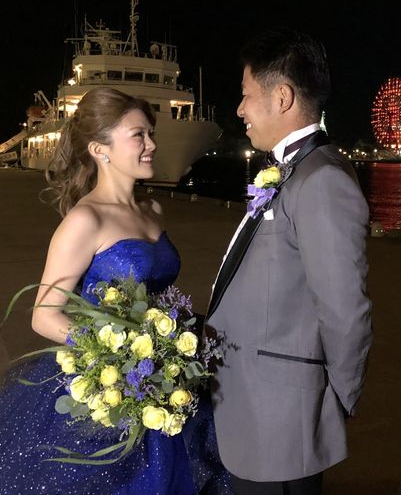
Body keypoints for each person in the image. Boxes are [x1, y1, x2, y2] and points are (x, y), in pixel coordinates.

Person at [0, 87, 233, 494]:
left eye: (151, 134)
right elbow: (44, 314)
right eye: (138, 135)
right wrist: (118, 358)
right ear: (99, 149)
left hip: (163, 381)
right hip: (113, 390)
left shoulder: (153, 210)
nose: (152, 144)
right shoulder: (85, 221)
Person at [205, 28, 373, 494]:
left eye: (246, 95)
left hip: (281, 420)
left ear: (282, 98)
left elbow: (346, 310)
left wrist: (335, 401)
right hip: (254, 406)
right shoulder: (293, 170)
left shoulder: (322, 180)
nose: (239, 109)